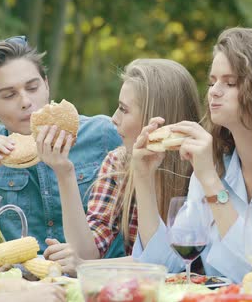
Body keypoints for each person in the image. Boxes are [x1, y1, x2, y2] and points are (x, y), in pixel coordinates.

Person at [131, 27, 252, 283]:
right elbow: (164, 264)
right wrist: (143, 178)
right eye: (212, 82)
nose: (214, 91)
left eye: (230, 83)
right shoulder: (217, 165)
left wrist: (211, 183)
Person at [0, 36, 123, 257]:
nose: (25, 101)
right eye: (9, 94)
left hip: (95, 279)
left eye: (32, 87)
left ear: (47, 85)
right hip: (20, 283)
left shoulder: (104, 134)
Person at [41, 59, 201, 270]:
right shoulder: (119, 162)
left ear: (155, 118)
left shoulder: (202, 165)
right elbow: (86, 252)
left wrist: (85, 267)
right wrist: (65, 173)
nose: (114, 119)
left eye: (124, 110)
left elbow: (175, 262)